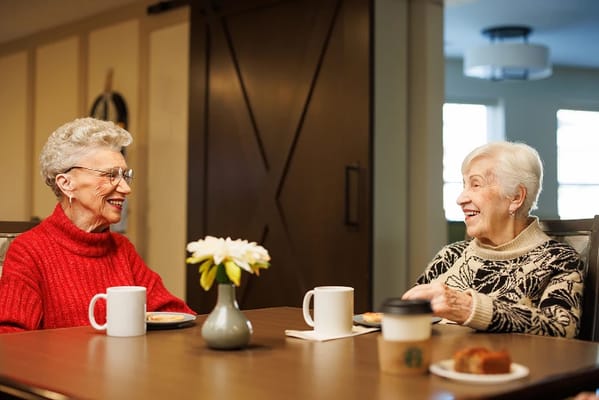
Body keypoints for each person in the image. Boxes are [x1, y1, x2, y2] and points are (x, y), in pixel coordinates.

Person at [0, 117, 195, 333]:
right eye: (111, 175)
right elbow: (9, 338)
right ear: (67, 184)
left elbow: (173, 313)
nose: (125, 189)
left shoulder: (121, 248)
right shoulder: (29, 251)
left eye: (125, 176)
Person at [402, 141, 584, 338]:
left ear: (515, 197)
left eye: (476, 184)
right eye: (464, 185)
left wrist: (471, 308)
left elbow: (563, 328)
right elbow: (408, 316)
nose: (461, 198)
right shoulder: (451, 255)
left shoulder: (558, 260)